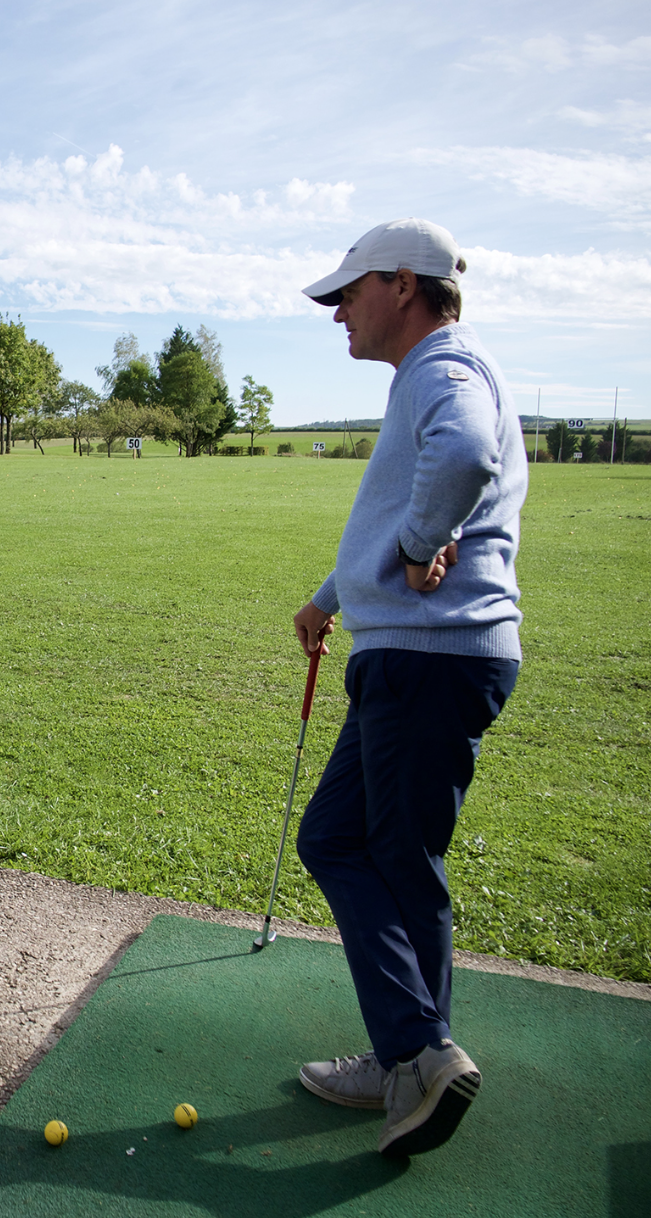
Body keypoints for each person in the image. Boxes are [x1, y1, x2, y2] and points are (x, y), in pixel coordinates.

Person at [290, 219, 526, 1157]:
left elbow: (464, 456)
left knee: (379, 850)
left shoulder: (439, 367)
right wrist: (327, 596)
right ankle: (410, 1058)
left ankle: (420, 1053)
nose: (338, 310)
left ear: (403, 284)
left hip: (430, 657)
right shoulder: (431, 371)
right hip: (422, 654)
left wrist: (425, 548)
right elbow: (394, 509)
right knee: (359, 844)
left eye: (348, 291)